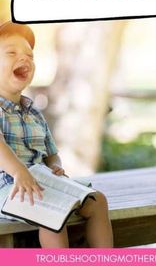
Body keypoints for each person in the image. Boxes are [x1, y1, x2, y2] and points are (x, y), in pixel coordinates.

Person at [0, 21, 113, 248]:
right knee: (53, 212)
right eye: (12, 52)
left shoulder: (34, 114)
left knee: (97, 200)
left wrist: (55, 166)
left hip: (42, 182)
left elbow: (51, 153)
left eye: (30, 56)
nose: (24, 59)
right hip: (7, 187)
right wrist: (19, 171)